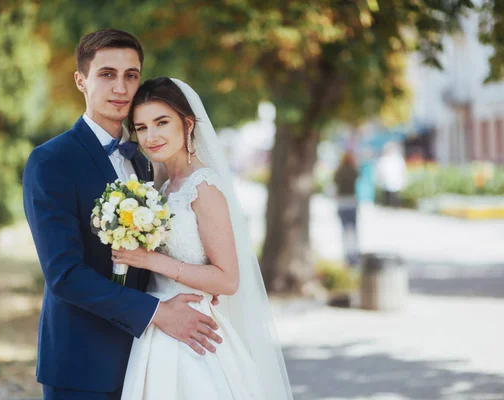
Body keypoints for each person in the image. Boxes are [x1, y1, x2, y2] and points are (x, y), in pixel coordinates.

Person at [22, 29, 220, 400]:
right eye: (107, 74)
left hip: (152, 358)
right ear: (82, 80)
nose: (121, 87)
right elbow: (64, 274)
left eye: (131, 75)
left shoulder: (146, 161)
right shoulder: (51, 161)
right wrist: (156, 312)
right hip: (82, 362)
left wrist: (194, 284)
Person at [112, 77, 293, 400]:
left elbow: (227, 280)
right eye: (141, 127)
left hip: (194, 331)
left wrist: (151, 259)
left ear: (188, 123)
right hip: (158, 322)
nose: (151, 136)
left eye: (161, 122)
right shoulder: (160, 187)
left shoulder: (204, 187)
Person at [333, 151, 360, 266]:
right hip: (351, 201)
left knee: (345, 230)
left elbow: (335, 181)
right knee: (353, 230)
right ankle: (353, 254)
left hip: (342, 202)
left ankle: (348, 255)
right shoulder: (353, 171)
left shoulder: (340, 171)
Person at [375, 142, 407, 208]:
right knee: (388, 196)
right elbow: (381, 170)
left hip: (395, 181)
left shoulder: (397, 158)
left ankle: (395, 207)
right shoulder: (384, 159)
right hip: (387, 181)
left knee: (395, 196)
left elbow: (402, 169)